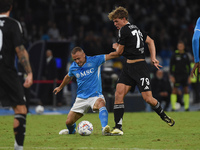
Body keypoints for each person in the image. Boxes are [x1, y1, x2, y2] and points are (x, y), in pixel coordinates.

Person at [108, 6, 175, 136]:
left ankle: (163, 115)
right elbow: (151, 41)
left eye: (116, 21)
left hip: (139, 68)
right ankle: (118, 127)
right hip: (129, 68)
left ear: (123, 19)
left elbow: (119, 52)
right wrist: (153, 58)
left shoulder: (123, 31)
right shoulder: (136, 28)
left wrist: (115, 47)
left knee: (148, 98)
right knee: (118, 94)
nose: (115, 24)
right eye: (114, 22)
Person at [53, 46, 119, 135]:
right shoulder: (73, 67)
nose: (77, 61)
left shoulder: (95, 60)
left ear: (84, 55)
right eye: (75, 59)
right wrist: (60, 87)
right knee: (68, 122)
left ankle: (104, 129)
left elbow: (111, 55)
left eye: (78, 58)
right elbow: (68, 77)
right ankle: (72, 131)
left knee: (101, 103)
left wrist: (121, 50)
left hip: (95, 95)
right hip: (81, 98)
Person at [0, 0, 33, 149]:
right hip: (6, 70)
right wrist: (29, 72)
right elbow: (20, 50)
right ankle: (18, 147)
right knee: (20, 108)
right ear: (11, 8)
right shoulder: (13, 24)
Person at [170, 41, 191, 111]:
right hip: (176, 75)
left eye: (181, 46)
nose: (180, 47)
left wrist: (189, 76)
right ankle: (173, 107)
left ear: (184, 47)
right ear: (177, 47)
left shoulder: (186, 55)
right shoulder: (174, 55)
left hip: (185, 75)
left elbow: (189, 66)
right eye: (179, 46)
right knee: (174, 90)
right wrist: (172, 76)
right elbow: (171, 66)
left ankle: (186, 107)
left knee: (186, 90)